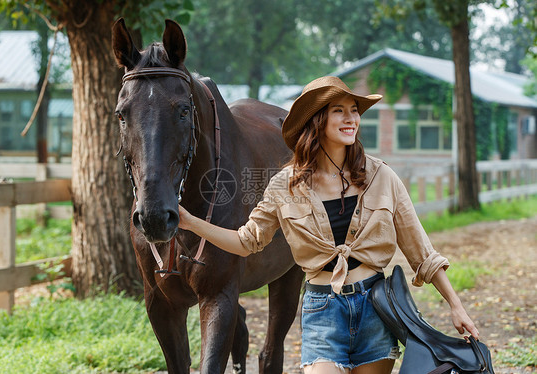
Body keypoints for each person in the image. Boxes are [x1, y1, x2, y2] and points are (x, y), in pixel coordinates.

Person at [178, 76, 479, 373]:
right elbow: (247, 241)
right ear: (316, 120)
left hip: (375, 311)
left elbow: (422, 252)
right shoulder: (286, 185)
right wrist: (191, 223)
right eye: (339, 111)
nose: (351, 119)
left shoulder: (381, 177)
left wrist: (456, 306)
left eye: (354, 111)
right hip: (322, 313)